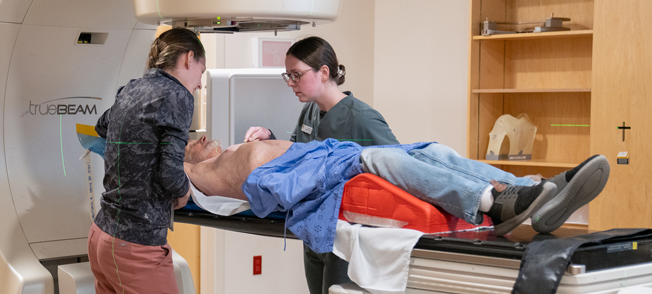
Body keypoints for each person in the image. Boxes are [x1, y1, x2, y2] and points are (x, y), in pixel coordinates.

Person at [183, 137, 609, 253]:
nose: (201, 136)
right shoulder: (186, 169)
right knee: (386, 162)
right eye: (192, 139)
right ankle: (494, 202)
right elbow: (162, 185)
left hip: (321, 156)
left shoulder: (233, 145)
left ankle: (532, 189)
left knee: (433, 150)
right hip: (301, 178)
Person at [243, 36, 399, 294]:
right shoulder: (310, 112)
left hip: (345, 236)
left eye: (296, 75)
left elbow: (398, 164)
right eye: (288, 76)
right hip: (312, 232)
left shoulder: (362, 118)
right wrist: (269, 139)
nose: (291, 83)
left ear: (324, 72)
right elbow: (295, 156)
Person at [88, 28, 205, 294]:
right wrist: (184, 190)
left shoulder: (132, 88)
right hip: (136, 246)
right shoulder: (179, 96)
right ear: (188, 59)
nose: (199, 83)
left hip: (102, 236)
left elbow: (102, 127)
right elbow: (171, 175)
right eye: (202, 70)